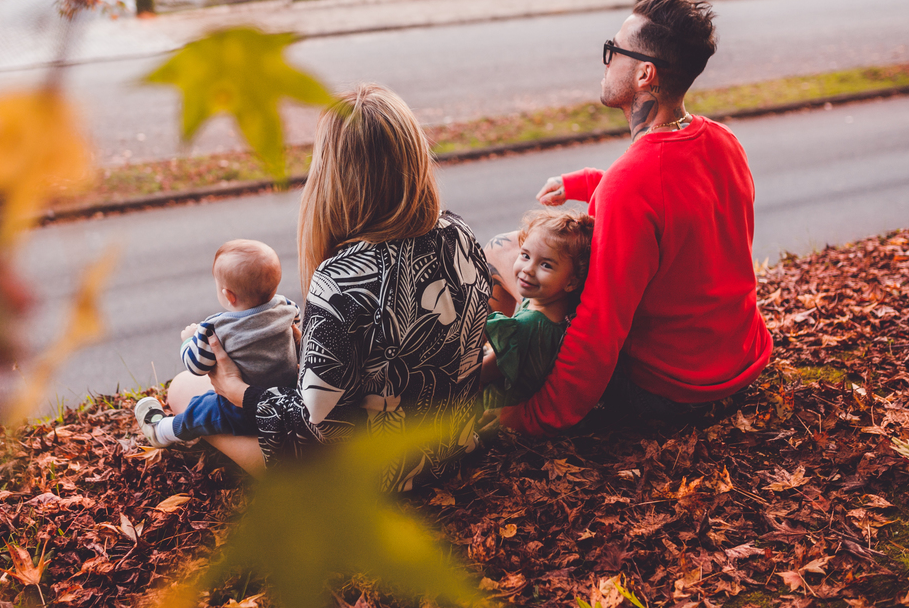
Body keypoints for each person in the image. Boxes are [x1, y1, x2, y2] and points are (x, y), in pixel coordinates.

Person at [166, 83, 492, 490]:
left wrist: (236, 391)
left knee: (185, 389)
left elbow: (313, 428)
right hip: (452, 448)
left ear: (333, 176)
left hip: (379, 481)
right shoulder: (458, 232)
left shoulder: (340, 278)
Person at [487, 0, 773, 436]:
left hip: (667, 391)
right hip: (738, 359)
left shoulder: (631, 183)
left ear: (644, 73)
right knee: (538, 253)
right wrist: (586, 183)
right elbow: (674, 199)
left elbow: (599, 329)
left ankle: (503, 384)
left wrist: (533, 417)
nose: (606, 61)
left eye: (613, 50)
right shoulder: (722, 140)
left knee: (508, 249)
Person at [135, 239, 300, 447]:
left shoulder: (214, 328)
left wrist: (188, 340)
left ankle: (162, 432)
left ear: (228, 295)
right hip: (289, 395)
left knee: (203, 409)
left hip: (242, 410)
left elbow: (197, 366)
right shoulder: (287, 307)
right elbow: (296, 327)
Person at [480, 210, 593, 410]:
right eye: (525, 255)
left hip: (495, 409)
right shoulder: (558, 312)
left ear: (571, 282)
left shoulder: (525, 328)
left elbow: (480, 374)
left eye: (546, 265)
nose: (528, 269)